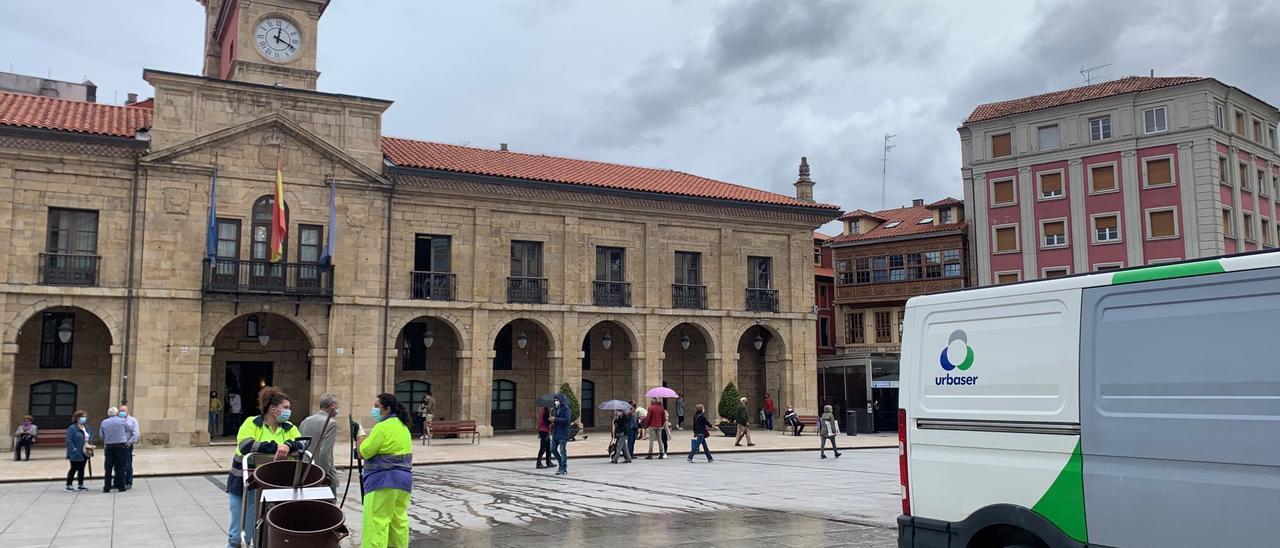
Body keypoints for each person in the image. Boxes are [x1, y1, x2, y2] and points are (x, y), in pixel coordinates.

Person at [226, 387, 302, 548]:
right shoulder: (252, 423)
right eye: (286, 408)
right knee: (237, 535)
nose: (289, 411)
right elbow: (247, 445)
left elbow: (302, 443)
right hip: (245, 484)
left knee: (261, 533)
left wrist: (288, 445)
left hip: (273, 484)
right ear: (273, 409)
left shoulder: (289, 428)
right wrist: (277, 447)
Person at [360, 393, 413, 548]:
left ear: (387, 409)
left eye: (377, 406)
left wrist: (360, 435)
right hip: (403, 482)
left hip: (381, 482)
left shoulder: (382, 427)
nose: (374, 409)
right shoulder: (403, 427)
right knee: (398, 521)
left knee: (376, 522)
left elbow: (364, 451)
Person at [299, 393, 342, 497]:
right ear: (332, 405)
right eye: (337, 405)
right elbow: (325, 453)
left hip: (305, 471)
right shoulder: (331, 423)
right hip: (321, 473)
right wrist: (324, 475)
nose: (338, 409)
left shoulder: (305, 421)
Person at [100, 406, 133, 493]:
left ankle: (107, 487)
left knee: (108, 467)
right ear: (117, 413)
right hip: (120, 445)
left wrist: (107, 439)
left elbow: (101, 435)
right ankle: (121, 486)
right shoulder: (122, 421)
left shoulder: (104, 422)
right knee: (120, 467)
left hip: (109, 446)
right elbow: (128, 429)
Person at [64, 410, 92, 491]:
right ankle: (69, 484)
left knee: (82, 468)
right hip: (76, 451)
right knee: (74, 468)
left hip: (85, 450)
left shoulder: (86, 427)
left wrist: (90, 444)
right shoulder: (72, 428)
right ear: (77, 418)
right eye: (82, 416)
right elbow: (69, 440)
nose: (84, 418)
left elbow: (89, 436)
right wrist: (73, 449)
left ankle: (80, 484)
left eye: (85, 416)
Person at [548, 393, 572, 475]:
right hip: (556, 433)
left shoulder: (566, 409)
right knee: (552, 449)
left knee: (562, 451)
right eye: (555, 400)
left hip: (563, 433)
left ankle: (563, 468)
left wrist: (556, 419)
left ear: (561, 400)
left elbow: (566, 420)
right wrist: (552, 421)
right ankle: (561, 463)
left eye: (557, 400)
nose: (556, 402)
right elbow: (556, 419)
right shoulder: (555, 409)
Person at [119, 405, 140, 489]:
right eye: (120, 411)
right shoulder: (117, 421)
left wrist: (129, 442)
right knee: (118, 464)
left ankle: (128, 482)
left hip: (127, 445)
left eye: (123, 411)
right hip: (118, 445)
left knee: (127, 464)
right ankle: (119, 481)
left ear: (127, 411)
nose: (121, 412)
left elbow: (136, 433)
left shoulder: (133, 421)